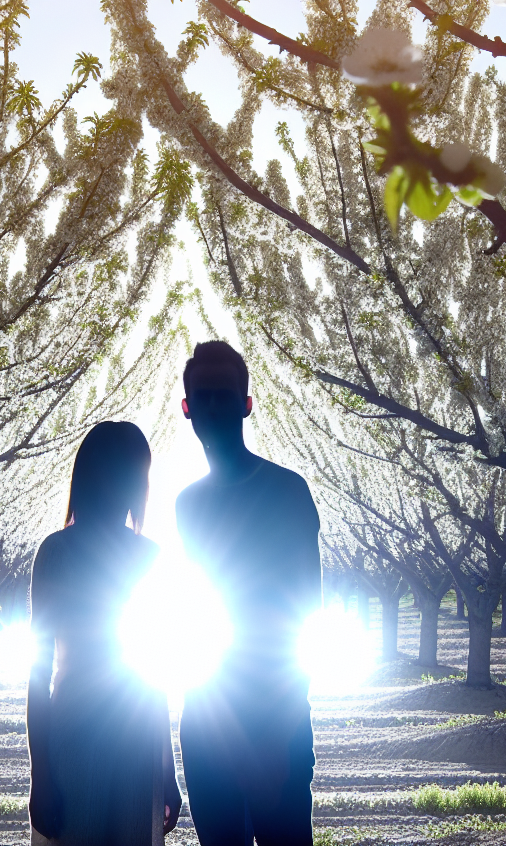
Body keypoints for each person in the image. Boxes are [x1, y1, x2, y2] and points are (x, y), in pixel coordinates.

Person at [176, 341, 321, 846]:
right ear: (187, 409)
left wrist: (278, 738)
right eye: (204, 397)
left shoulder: (287, 492)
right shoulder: (186, 505)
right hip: (206, 727)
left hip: (272, 728)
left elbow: (305, 617)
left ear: (246, 403)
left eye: (224, 395)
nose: (214, 407)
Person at [27, 421, 183, 846]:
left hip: (120, 739)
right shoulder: (64, 554)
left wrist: (168, 771)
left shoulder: (61, 552)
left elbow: (156, 669)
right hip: (96, 739)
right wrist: (39, 776)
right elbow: (38, 674)